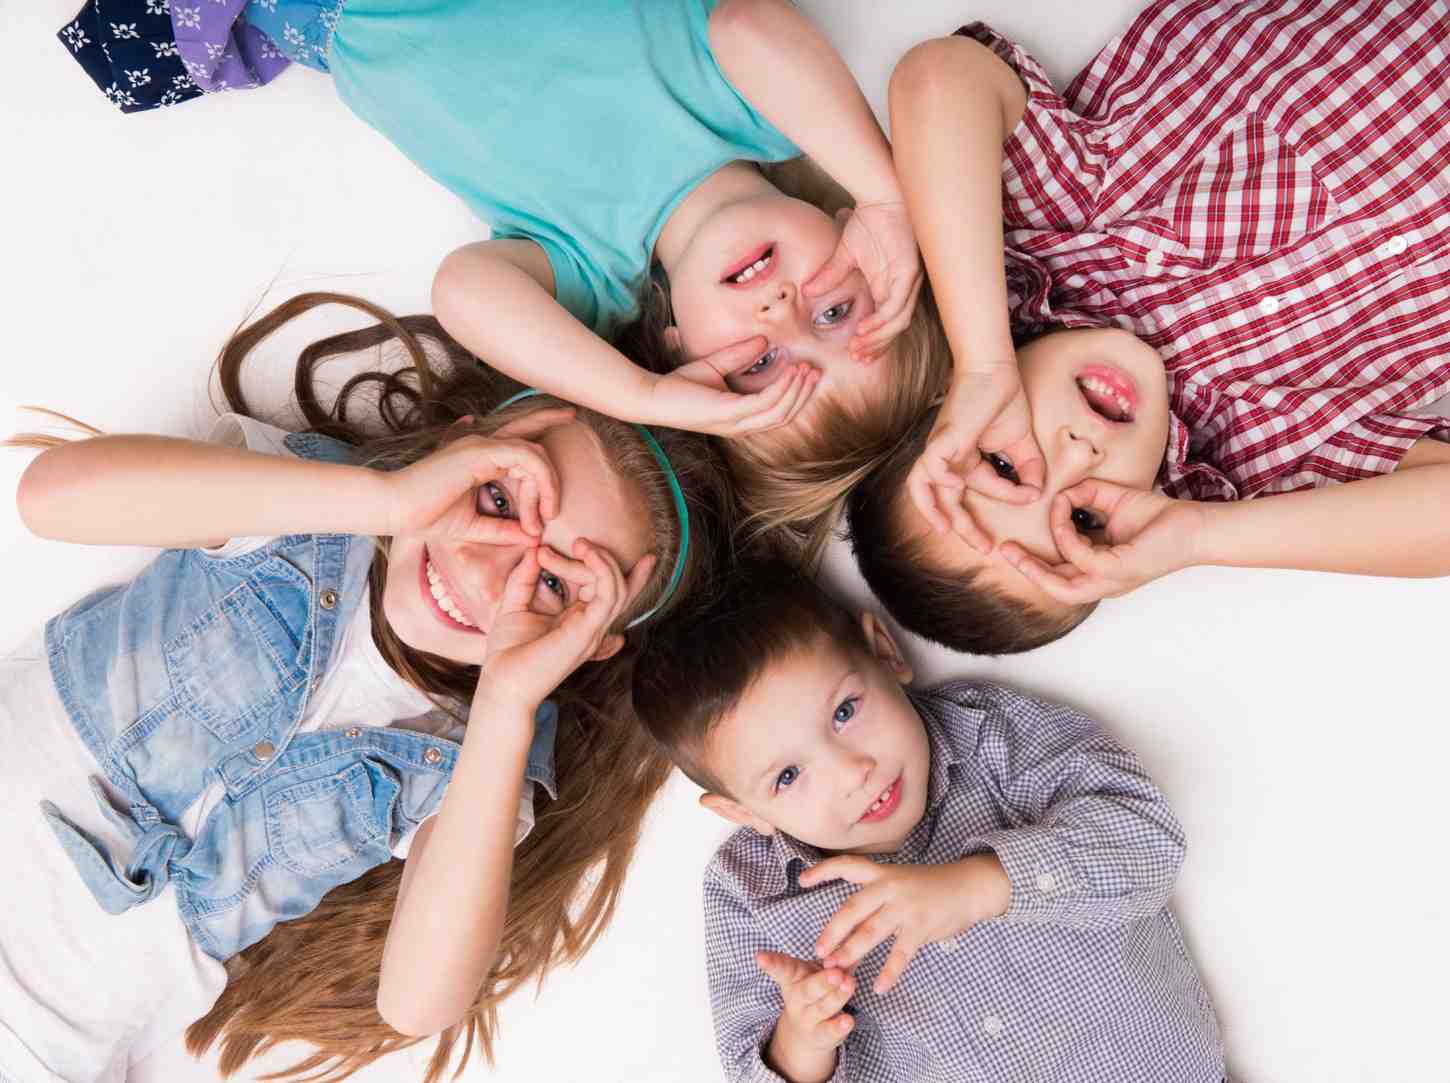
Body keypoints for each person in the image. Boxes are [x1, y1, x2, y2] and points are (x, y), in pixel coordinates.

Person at [0, 292, 724, 1082]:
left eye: (552, 582)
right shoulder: (301, 503)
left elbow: (418, 1000)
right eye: (497, 498)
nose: (485, 568)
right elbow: (50, 496)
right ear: (462, 449)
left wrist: (507, 707)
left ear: (587, 643)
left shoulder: (470, 762)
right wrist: (387, 500)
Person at [55, 0, 934, 465]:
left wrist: (644, 399)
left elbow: (462, 292)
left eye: (758, 365)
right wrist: (890, 197)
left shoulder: (587, 271)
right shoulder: (761, 112)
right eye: (835, 313)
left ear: (681, 349)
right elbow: (749, 26)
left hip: (324, 9)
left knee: (127, 60)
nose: (782, 311)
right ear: (851, 231)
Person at [847, 2, 1450, 654]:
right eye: (1081, 517)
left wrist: (984, 361)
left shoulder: (1056, 237)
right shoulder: (1254, 466)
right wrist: (1198, 537)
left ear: (948, 404)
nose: (1078, 453)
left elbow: (937, 77)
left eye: (1003, 462)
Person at [631, 562, 1225, 1083]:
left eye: (844, 712)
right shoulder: (749, 895)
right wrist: (802, 1040)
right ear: (744, 812)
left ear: (885, 652)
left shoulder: (992, 738)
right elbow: (750, 1067)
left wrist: (981, 884)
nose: (852, 772)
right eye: (788, 776)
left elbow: (1146, 838)